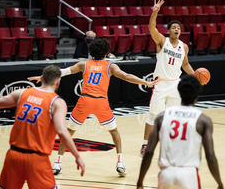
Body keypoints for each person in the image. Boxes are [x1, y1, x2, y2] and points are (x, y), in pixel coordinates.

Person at [28, 38, 159, 177]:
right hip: (101, 102)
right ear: (106, 52)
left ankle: (57, 164)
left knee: (68, 133)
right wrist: (147, 82)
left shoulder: (83, 64)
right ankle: (120, 162)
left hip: (84, 100)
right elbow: (127, 76)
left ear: (91, 51)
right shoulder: (110, 66)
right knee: (114, 132)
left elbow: (63, 72)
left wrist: (43, 77)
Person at [0, 65, 85, 189]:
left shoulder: (22, 93)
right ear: (57, 83)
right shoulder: (57, 102)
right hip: (37, 159)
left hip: (13, 155)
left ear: (42, 78)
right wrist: (77, 156)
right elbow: (62, 131)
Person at [137, 75, 224, 189]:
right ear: (197, 94)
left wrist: (140, 182)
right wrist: (219, 183)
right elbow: (210, 157)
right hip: (188, 175)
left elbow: (149, 151)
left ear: (179, 91)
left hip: (166, 175)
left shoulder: (162, 117)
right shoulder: (203, 120)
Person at [140, 0, 195, 157]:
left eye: (178, 27)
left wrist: (195, 77)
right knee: (153, 116)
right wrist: (154, 12)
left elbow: (185, 65)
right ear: (169, 30)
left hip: (175, 85)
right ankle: (145, 146)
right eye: (174, 27)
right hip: (160, 83)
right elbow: (152, 28)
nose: (176, 29)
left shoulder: (184, 46)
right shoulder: (162, 41)